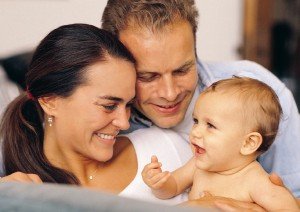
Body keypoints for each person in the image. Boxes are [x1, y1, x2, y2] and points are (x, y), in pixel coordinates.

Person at [101, 0, 300, 202]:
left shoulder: (260, 94)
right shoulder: (108, 123)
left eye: (182, 70)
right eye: (147, 77)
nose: (169, 93)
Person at [0, 23, 192, 206]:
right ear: (50, 101)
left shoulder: (164, 147)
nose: (124, 123)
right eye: (109, 106)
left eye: (128, 105)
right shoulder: (22, 193)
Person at [142, 77, 299, 211]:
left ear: (248, 143)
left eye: (210, 125)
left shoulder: (256, 182)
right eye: (196, 121)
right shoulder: (197, 165)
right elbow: (173, 187)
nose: (195, 131)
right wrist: (160, 184)